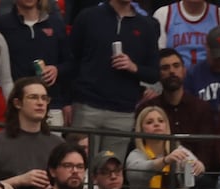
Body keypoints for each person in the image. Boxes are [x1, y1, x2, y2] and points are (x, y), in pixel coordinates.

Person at [67, 0, 159, 161]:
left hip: (122, 112)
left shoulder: (147, 26)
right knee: (79, 167)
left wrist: (133, 67)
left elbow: (154, 73)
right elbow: (71, 60)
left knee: (111, 172)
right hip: (87, 107)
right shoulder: (88, 17)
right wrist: (67, 100)